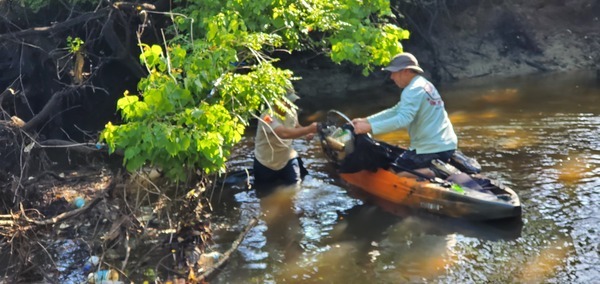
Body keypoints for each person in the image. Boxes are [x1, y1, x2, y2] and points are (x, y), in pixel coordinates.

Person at [352, 52, 457, 176]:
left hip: (432, 149)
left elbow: (403, 119)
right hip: (446, 145)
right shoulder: (423, 84)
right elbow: (396, 110)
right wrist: (366, 120)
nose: (392, 77)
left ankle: (434, 172)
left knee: (394, 173)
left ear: (406, 71)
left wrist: (370, 128)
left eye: (394, 72)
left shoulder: (413, 90)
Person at [253, 87, 318, 187]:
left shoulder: (292, 111)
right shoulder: (266, 116)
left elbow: (295, 126)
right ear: (276, 101)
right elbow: (283, 133)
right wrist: (308, 129)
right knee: (264, 193)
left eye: (291, 101)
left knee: (295, 187)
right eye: (287, 101)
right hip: (265, 163)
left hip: (287, 159)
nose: (289, 104)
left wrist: (306, 135)